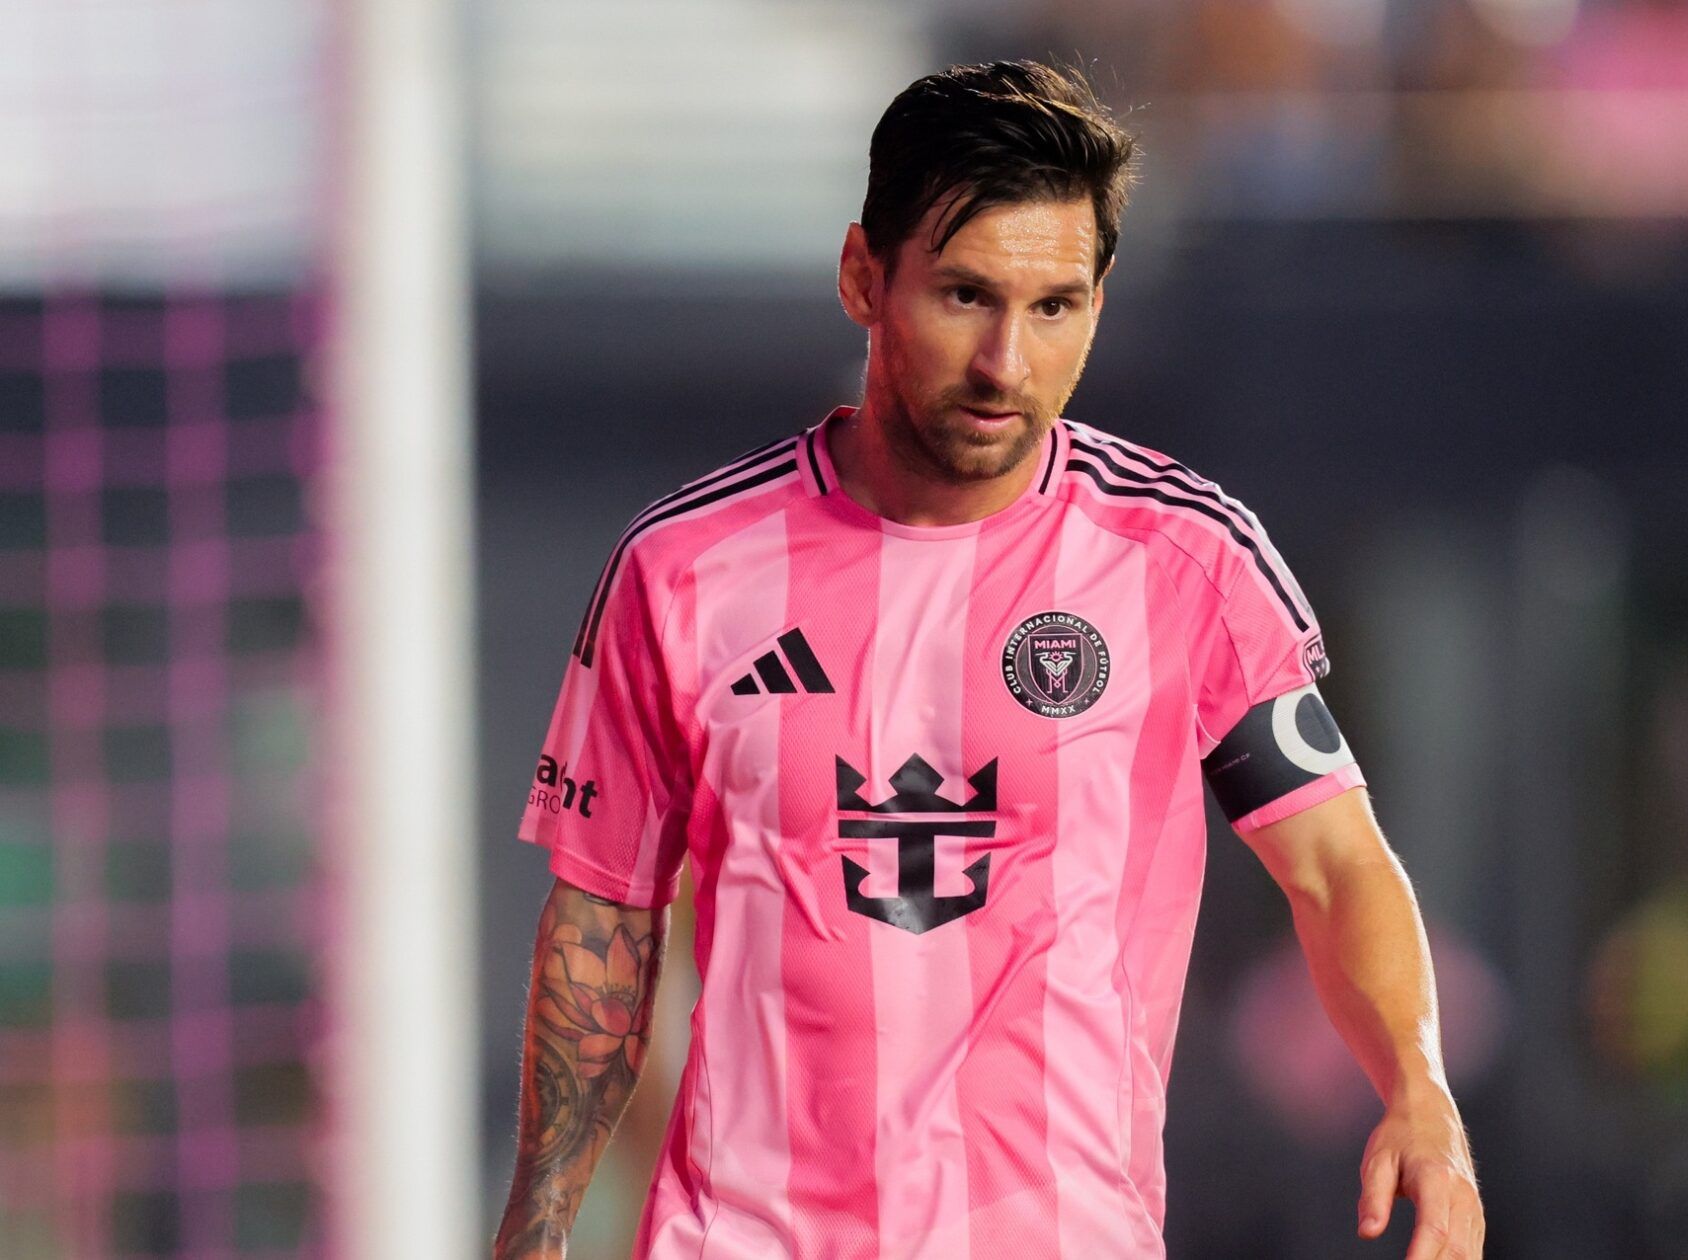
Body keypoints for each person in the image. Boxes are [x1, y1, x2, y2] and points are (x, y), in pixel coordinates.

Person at [494, 59, 1482, 1260]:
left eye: (1055, 306)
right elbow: (604, 928)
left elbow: (1337, 867)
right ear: (864, 275)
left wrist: (1421, 1090)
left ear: (1099, 303)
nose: (1006, 363)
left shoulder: (1186, 563)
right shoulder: (682, 571)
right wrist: (535, 1236)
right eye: (965, 296)